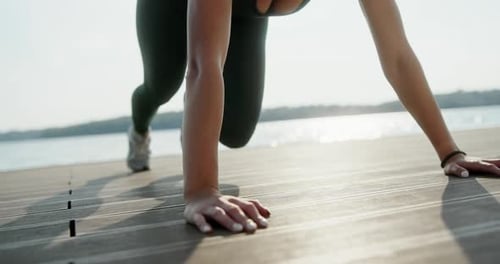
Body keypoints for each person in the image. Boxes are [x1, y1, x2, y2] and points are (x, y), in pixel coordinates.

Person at [127, 0, 500, 234]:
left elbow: (398, 55)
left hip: (244, 17)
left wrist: (450, 153)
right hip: (172, 6)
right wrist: (201, 190)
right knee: (161, 84)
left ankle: (194, 130)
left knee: (236, 132)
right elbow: (201, 64)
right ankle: (140, 125)